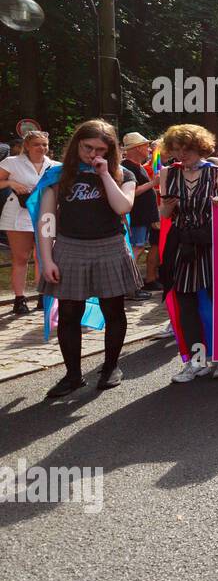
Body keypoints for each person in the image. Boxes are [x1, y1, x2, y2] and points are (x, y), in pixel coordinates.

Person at [32, 121, 140, 397]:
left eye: (100, 149)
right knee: (69, 314)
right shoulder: (57, 175)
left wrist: (104, 174)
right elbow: (47, 219)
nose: (92, 154)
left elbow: (123, 207)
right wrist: (46, 259)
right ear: (76, 144)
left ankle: (110, 367)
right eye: (87, 147)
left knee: (113, 310)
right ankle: (73, 376)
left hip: (111, 246)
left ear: (111, 150)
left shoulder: (123, 174)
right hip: (69, 247)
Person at [157, 125, 218, 382]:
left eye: (186, 149)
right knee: (186, 305)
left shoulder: (217, 173)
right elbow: (165, 217)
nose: (182, 155)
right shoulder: (169, 173)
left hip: (211, 243)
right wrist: (167, 207)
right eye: (177, 149)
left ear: (200, 147)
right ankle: (197, 361)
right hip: (182, 245)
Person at [0, 129, 55, 314]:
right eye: (37, 144)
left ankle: (43, 295)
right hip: (18, 214)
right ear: (27, 146)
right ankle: (19, 298)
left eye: (44, 144)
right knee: (20, 257)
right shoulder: (12, 163)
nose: (41, 148)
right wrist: (10, 183)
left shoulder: (55, 166)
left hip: (45, 215)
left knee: (43, 257)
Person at [119, 132, 161, 297]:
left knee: (138, 247)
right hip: (136, 216)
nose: (148, 149)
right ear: (136, 148)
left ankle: (131, 285)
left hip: (142, 216)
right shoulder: (128, 167)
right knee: (135, 248)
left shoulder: (136, 166)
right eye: (145, 146)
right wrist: (153, 183)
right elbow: (132, 192)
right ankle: (130, 286)